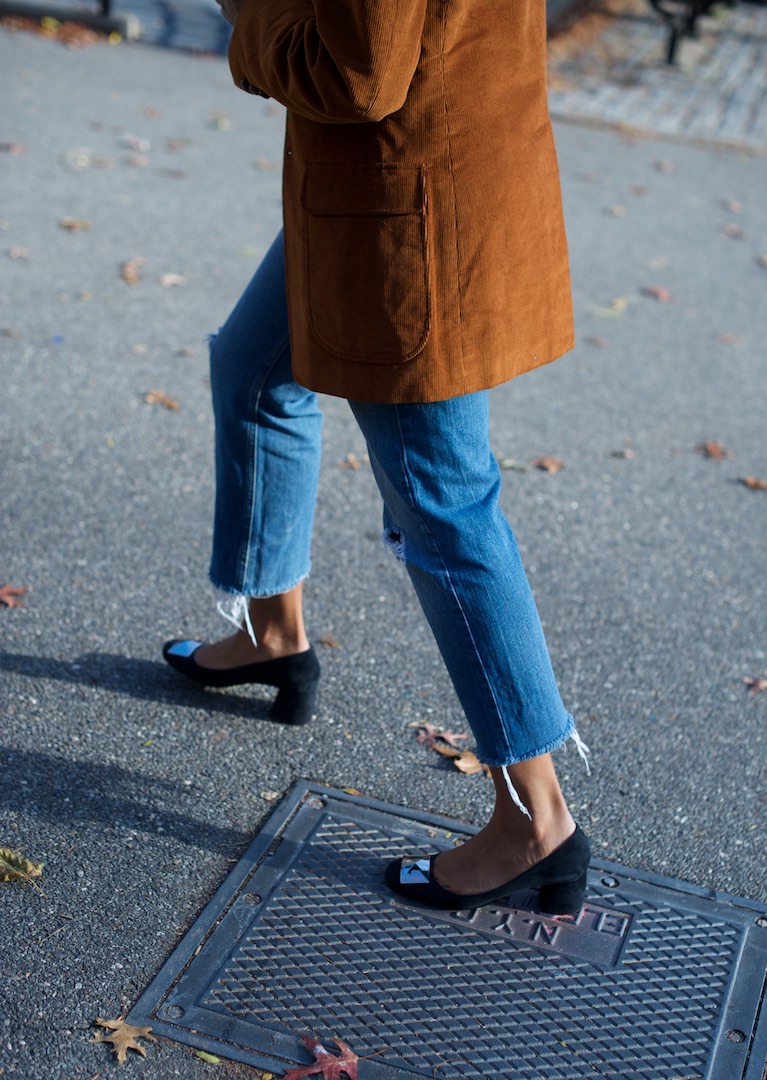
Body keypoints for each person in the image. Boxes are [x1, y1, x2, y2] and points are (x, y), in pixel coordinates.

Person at [163, 0, 591, 914]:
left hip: (406, 212)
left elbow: (361, 73)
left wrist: (251, 22)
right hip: (396, 178)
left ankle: (536, 819)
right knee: (254, 369)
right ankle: (273, 632)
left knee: (444, 505)